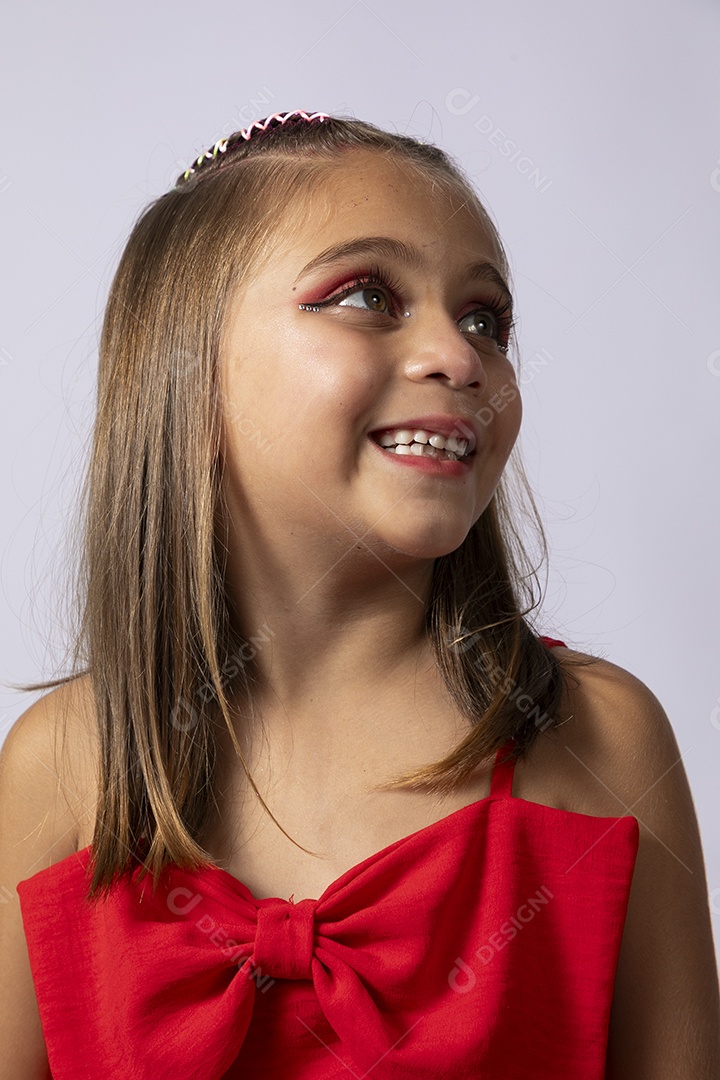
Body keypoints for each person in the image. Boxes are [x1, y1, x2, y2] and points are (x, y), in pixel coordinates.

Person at [0, 109, 717, 1079]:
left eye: (485, 319)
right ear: (188, 375)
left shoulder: (603, 740)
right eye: (367, 295)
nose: (460, 359)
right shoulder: (62, 764)